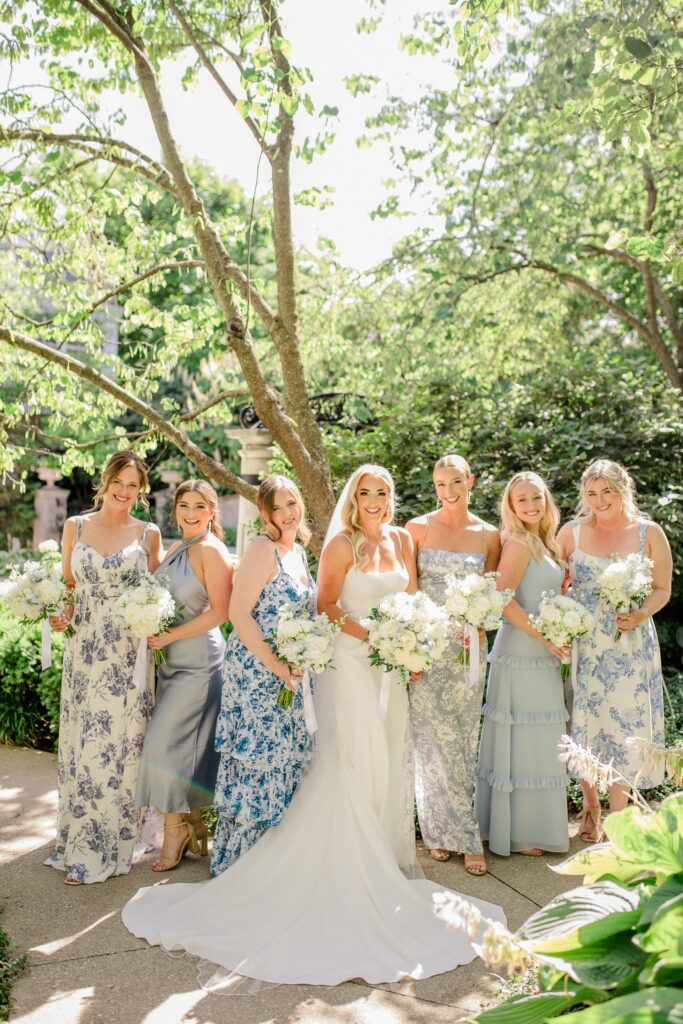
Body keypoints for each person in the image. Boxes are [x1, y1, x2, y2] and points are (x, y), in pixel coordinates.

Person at [122, 464, 505, 986]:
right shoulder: (323, 546)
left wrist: (411, 643)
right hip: (337, 666)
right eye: (365, 492)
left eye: (382, 492)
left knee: (381, 756)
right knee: (346, 756)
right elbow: (314, 606)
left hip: (381, 667)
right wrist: (366, 641)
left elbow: (407, 602)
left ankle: (378, 853)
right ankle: (311, 859)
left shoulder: (362, 543)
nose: (374, 499)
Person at [45, 451, 161, 884]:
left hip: (127, 656)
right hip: (84, 652)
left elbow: (157, 596)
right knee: (85, 742)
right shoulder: (75, 527)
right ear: (105, 480)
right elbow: (69, 588)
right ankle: (78, 840)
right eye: (119, 481)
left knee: (116, 745)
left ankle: (101, 849)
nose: (125, 491)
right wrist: (62, 616)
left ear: (141, 491)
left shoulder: (148, 534)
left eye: (134, 485)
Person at [557, 459, 671, 842]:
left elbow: (663, 588)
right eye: (592, 493)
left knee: (625, 725)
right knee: (585, 720)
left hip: (630, 644)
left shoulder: (648, 532)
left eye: (607, 491)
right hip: (584, 644)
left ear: (624, 489)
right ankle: (590, 805)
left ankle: (618, 817)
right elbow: (551, 579)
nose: (600, 500)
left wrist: (639, 614)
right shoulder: (571, 532)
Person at [210, 475, 315, 876]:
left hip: (290, 674)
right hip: (257, 672)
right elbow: (238, 614)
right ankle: (243, 863)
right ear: (265, 513)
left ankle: (275, 859)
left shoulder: (298, 552)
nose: (288, 513)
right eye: (278, 507)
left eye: (292, 504)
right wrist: (279, 666)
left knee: (285, 758)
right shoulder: (262, 549)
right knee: (259, 758)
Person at [406, 454, 501, 875]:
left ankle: (466, 832)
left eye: (456, 482)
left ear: (470, 481)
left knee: (462, 741)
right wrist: (410, 647)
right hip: (427, 648)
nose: (449, 491)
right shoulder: (416, 529)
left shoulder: (489, 535)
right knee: (428, 742)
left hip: (466, 650)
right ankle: (437, 832)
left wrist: (479, 623)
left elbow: (492, 592)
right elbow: (410, 592)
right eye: (441, 484)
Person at [135, 480, 234, 872]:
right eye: (184, 506)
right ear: (175, 510)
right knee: (179, 749)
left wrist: (171, 636)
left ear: (211, 511)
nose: (191, 513)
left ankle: (174, 831)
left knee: (163, 748)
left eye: (199, 506)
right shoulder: (178, 548)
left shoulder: (212, 550)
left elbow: (222, 612)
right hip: (170, 664)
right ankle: (193, 824)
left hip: (199, 665)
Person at [475, 472, 570, 857]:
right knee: (524, 736)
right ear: (511, 507)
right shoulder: (517, 542)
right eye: (522, 500)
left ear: (546, 501)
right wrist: (543, 635)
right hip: (522, 649)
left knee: (542, 737)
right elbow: (502, 597)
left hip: (546, 651)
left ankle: (536, 826)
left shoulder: (547, 543)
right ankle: (518, 832)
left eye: (537, 498)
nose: (531, 506)